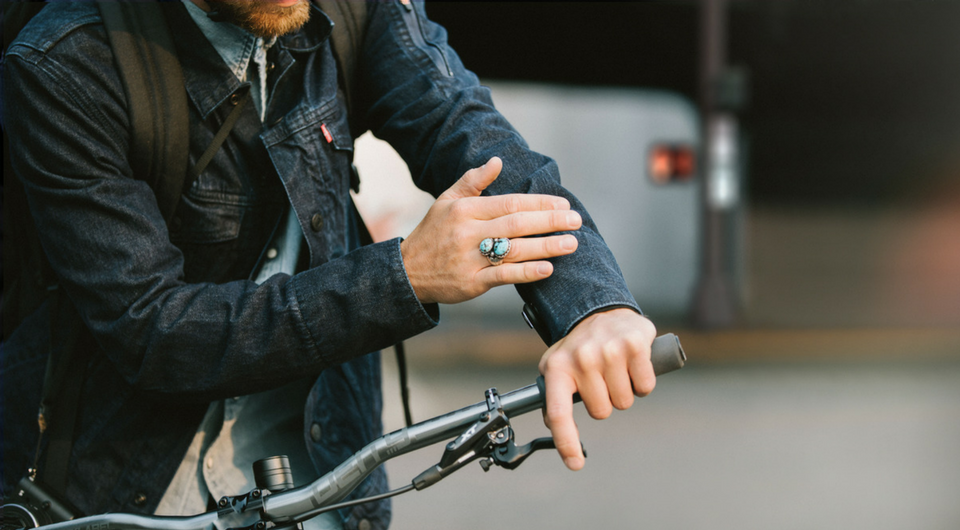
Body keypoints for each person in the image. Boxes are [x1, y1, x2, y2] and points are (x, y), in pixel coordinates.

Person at [0, 2, 658, 529]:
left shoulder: (355, 10)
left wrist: (591, 306)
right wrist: (402, 277)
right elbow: (153, 331)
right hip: (124, 492)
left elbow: (467, 129)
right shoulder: (65, 62)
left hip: (321, 475)